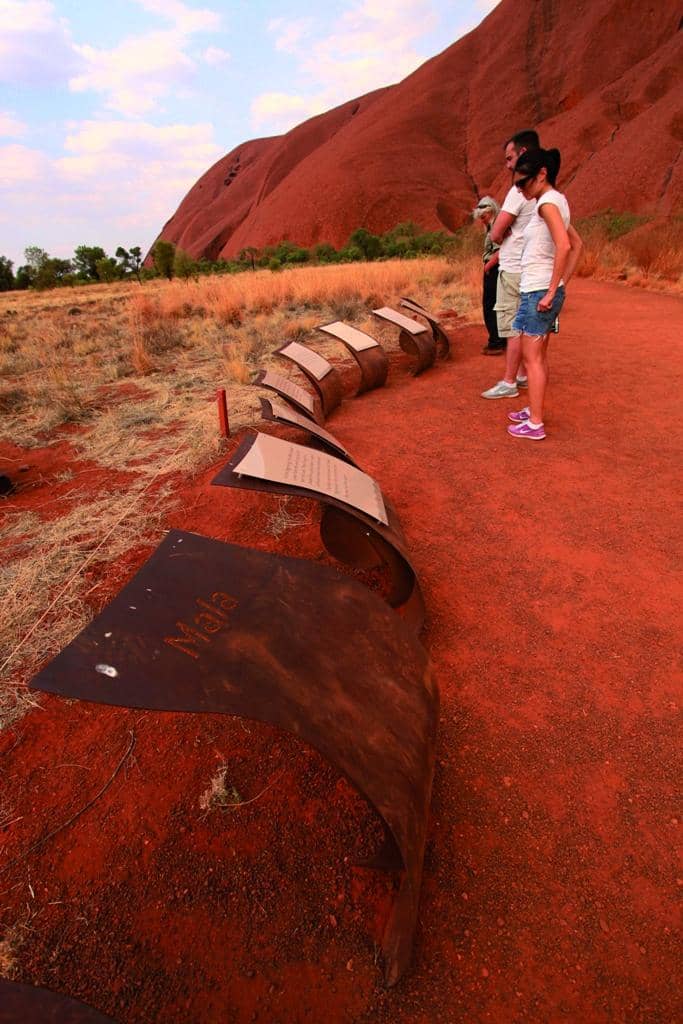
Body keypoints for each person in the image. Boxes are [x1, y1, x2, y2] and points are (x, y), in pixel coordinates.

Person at [506, 147, 583, 439]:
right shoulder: (557, 202)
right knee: (539, 356)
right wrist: (562, 284)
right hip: (541, 288)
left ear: (542, 174)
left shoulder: (546, 204)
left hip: (537, 291)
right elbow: (578, 244)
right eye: (516, 184)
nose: (520, 189)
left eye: (523, 183)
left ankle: (535, 423)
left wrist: (552, 290)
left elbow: (564, 246)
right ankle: (533, 410)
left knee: (532, 358)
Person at [481, 129, 540, 399]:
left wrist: (499, 232)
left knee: (513, 327)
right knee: (529, 326)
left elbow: (496, 232)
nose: (507, 165)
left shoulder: (519, 190)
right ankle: (524, 375)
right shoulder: (545, 187)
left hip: (514, 267)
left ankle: (509, 381)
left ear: (523, 154)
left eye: (509, 158)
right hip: (531, 267)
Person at [473, 196, 506, 355]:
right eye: (480, 217)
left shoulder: (496, 227)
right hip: (496, 268)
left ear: (491, 211)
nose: (482, 220)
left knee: (490, 305)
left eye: (484, 216)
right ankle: (501, 339)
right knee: (498, 304)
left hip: (494, 268)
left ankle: (496, 342)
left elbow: (500, 251)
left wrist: (488, 266)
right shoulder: (493, 225)